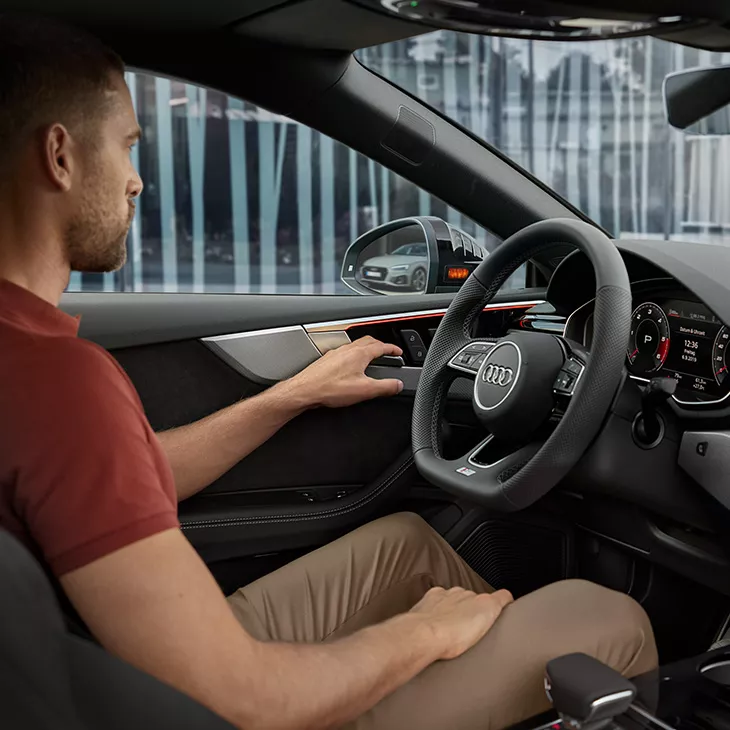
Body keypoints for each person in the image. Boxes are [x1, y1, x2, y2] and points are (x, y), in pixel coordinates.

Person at [0, 14, 657, 730]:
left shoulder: (26, 368)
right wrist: (423, 635)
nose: (137, 180)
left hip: (93, 665)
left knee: (407, 546)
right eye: (127, 146)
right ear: (60, 156)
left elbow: (126, 471)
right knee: (605, 617)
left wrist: (291, 396)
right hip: (174, 704)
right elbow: (246, 701)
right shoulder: (55, 381)